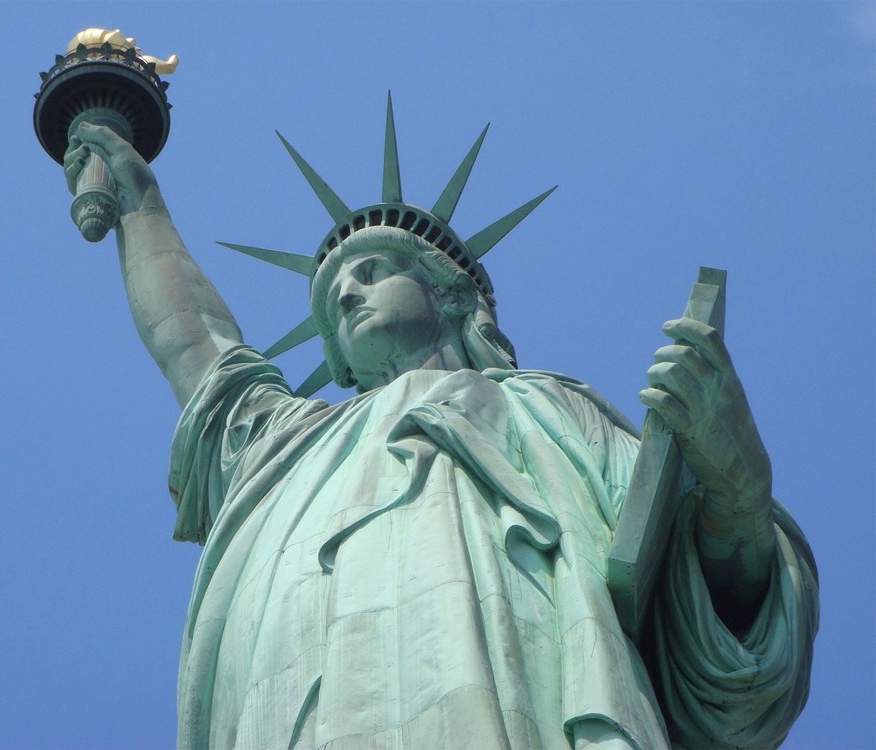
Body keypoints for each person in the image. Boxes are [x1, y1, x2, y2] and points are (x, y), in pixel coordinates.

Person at [63, 109, 817, 749]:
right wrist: (141, 206)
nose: (350, 296)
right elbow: (198, 349)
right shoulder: (286, 444)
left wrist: (733, 480)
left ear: (454, 298)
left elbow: (712, 600)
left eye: (374, 270)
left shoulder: (553, 413)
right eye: (333, 301)